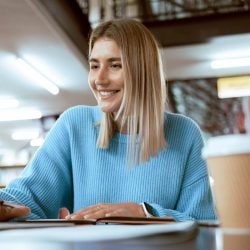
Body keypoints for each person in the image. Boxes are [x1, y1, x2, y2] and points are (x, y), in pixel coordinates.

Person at [0, 19, 217, 222]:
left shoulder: (185, 133)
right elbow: (26, 198)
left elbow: (202, 223)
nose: (99, 80)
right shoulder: (74, 124)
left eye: (114, 65)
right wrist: (5, 206)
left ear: (142, 71)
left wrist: (145, 212)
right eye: (95, 66)